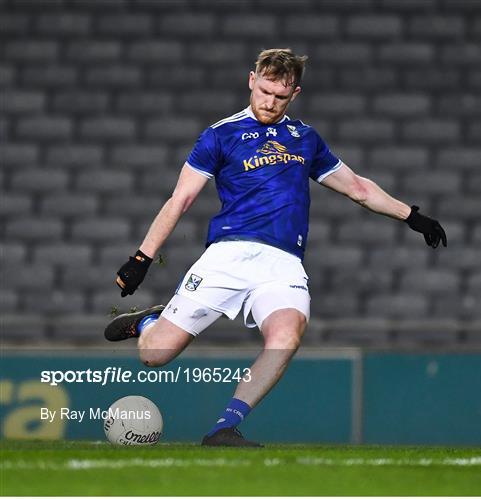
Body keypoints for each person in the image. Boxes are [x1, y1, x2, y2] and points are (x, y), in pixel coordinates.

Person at [105, 48, 447, 447]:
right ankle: (147, 322)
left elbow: (357, 188)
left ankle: (223, 428)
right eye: (264, 91)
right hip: (228, 255)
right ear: (252, 80)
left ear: (295, 93)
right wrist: (141, 259)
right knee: (154, 356)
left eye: (279, 97)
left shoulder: (305, 139)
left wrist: (411, 215)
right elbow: (179, 199)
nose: (269, 102)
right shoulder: (220, 135)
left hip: (283, 263)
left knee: (286, 336)